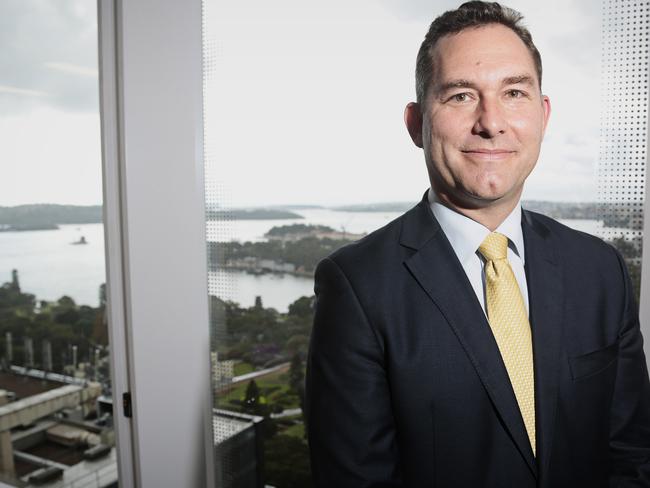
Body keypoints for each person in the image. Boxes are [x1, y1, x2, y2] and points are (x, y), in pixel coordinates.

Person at [304, 1, 650, 487]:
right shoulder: (357, 288)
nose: (492, 121)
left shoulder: (600, 270)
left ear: (543, 115)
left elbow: (632, 455)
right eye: (461, 95)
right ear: (416, 124)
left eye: (514, 92)